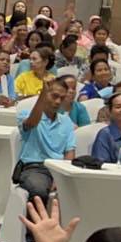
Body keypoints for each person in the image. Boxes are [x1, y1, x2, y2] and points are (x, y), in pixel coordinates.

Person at [15, 75, 76, 206]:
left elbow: (70, 152)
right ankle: (35, 220)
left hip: (59, 169)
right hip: (34, 168)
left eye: (62, 98)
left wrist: (62, 177)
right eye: (54, 96)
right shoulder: (26, 114)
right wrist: (43, 92)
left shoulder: (67, 122)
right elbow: (31, 123)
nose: (58, 101)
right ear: (45, 94)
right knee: (39, 190)